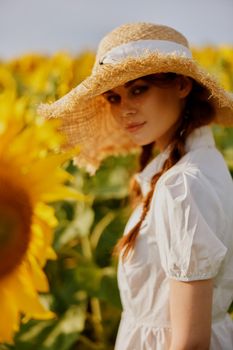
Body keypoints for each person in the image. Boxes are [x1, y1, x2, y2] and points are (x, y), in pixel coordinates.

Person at [37, 22, 233, 349]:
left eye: (139, 89)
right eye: (113, 97)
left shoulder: (181, 186)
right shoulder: (203, 166)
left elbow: (190, 343)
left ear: (182, 85)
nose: (124, 109)